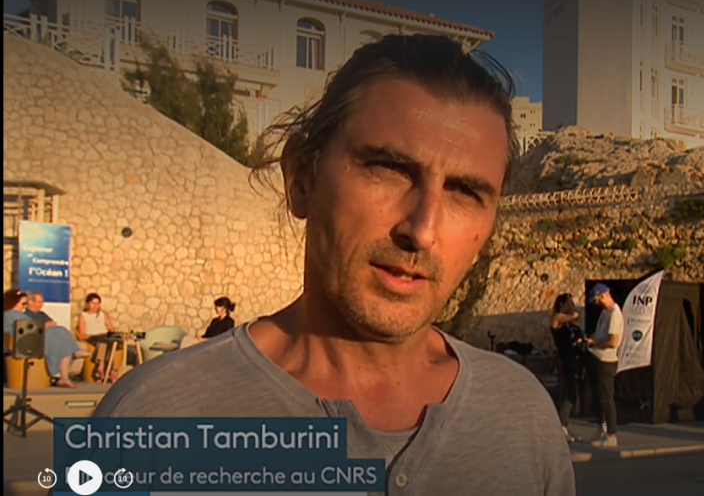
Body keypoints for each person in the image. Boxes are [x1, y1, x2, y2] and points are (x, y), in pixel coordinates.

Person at [93, 34, 575, 494]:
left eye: (465, 192)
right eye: (389, 168)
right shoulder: (149, 416)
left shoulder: (524, 415)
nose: (422, 229)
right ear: (302, 177)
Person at [3, 289, 90, 387]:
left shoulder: (15, 314)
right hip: (23, 342)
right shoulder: (11, 314)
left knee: (62, 336)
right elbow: (27, 328)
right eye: (22, 304)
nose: (24, 307)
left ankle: (64, 377)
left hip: (28, 338)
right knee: (61, 333)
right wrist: (44, 325)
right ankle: (67, 370)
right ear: (13, 302)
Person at [585, 283, 623, 447]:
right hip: (596, 357)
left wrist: (594, 342)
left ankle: (612, 434)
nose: (596, 303)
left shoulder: (614, 313)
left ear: (601, 295)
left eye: (596, 300)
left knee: (606, 397)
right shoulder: (605, 312)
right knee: (597, 397)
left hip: (606, 361)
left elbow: (612, 341)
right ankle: (602, 429)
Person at [549, 293, 585, 443]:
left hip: (573, 359)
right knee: (569, 393)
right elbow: (572, 316)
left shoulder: (571, 325)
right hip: (564, 360)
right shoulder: (557, 318)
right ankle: (560, 426)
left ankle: (564, 425)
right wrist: (573, 312)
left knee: (571, 393)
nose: (572, 305)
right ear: (562, 304)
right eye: (569, 303)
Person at [76, 293, 115, 380]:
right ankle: (105, 368)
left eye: (97, 304)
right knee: (102, 342)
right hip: (92, 336)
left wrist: (112, 331)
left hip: (104, 336)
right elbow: (82, 332)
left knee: (109, 343)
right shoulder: (83, 315)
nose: (95, 306)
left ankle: (107, 369)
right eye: (93, 303)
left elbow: (110, 327)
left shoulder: (102, 314)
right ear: (87, 304)